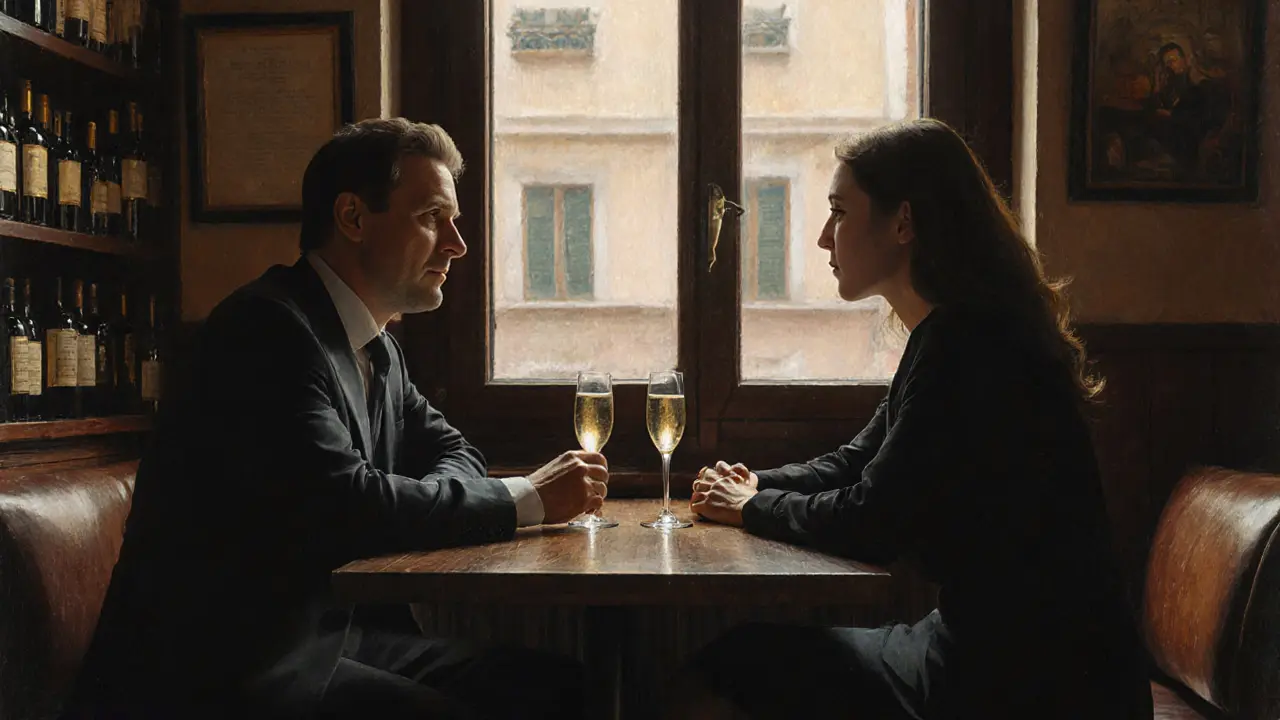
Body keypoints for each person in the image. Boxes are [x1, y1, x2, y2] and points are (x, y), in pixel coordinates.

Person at [65, 119, 607, 720]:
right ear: (352, 218)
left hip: (323, 642)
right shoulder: (266, 331)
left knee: (557, 687)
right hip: (222, 674)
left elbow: (456, 452)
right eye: (432, 217)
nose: (458, 244)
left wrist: (415, 495)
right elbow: (347, 504)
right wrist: (526, 498)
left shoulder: (378, 343)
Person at [679, 119, 1153, 719]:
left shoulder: (969, 346)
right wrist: (757, 484)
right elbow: (856, 461)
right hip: (997, 655)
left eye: (840, 212)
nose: (825, 238)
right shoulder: (955, 332)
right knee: (734, 659)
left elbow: (872, 517)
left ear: (903, 222)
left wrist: (750, 507)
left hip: (1029, 684)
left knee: (723, 672)